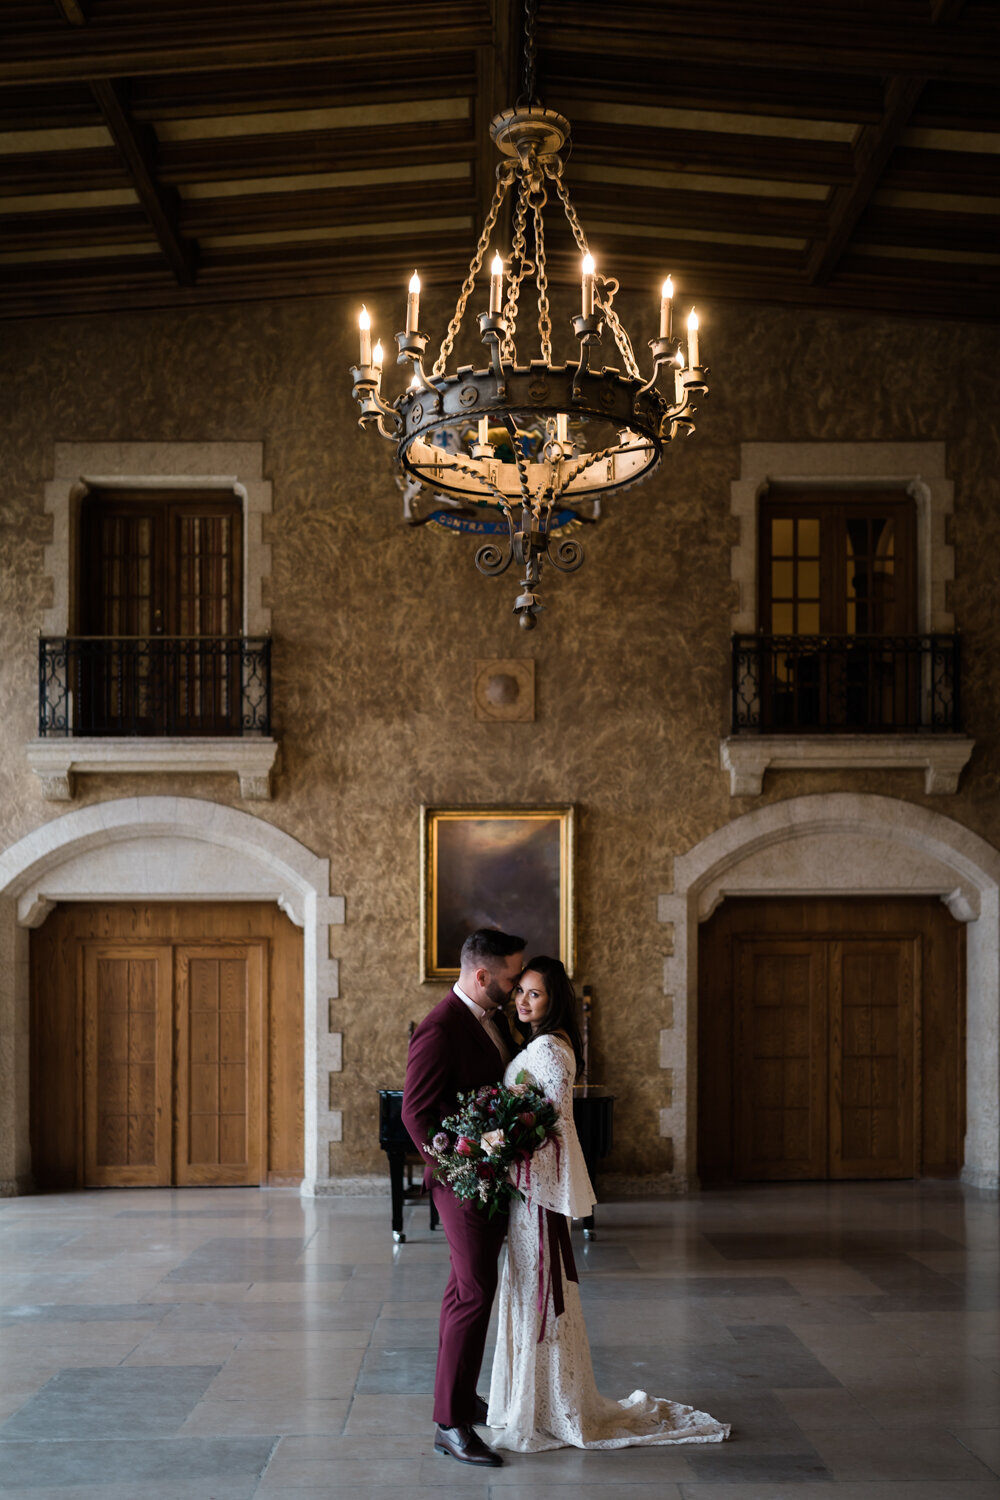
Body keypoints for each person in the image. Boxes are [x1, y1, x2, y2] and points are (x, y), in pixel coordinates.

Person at [487, 954, 730, 1452]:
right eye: (521, 992)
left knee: (539, 1292)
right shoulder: (535, 1044)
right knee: (524, 1289)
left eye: (535, 993)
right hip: (523, 1188)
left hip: (536, 1193)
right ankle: (528, 1399)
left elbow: (552, 1126)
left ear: (554, 1001)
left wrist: (506, 1148)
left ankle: (553, 1403)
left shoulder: (552, 1050)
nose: (524, 1000)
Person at [401, 926, 524, 1469]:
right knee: (474, 1293)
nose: (517, 989)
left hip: (488, 1178)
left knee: (466, 1291)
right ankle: (450, 1425)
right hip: (463, 1182)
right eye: (511, 979)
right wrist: (460, 1169)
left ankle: (459, 1397)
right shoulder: (440, 1028)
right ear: (481, 976)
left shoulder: (491, 1019)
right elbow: (416, 1114)